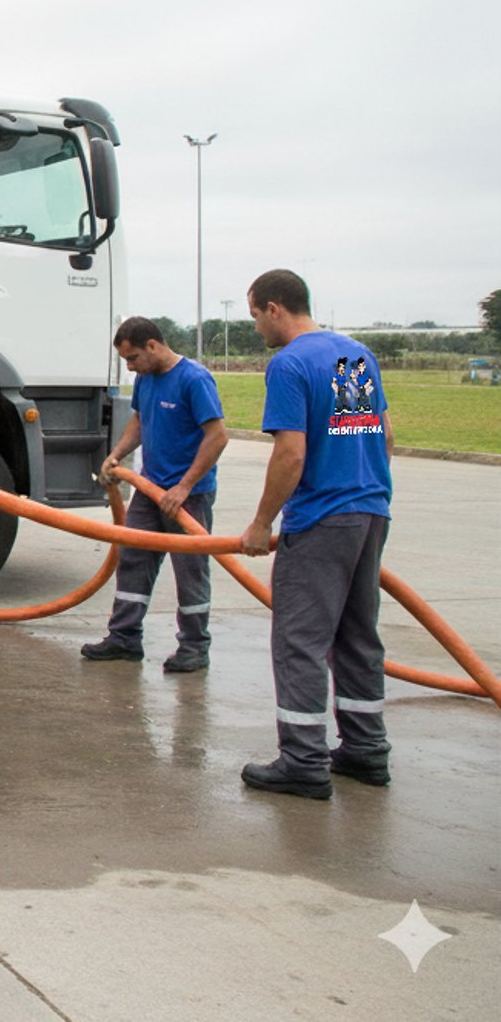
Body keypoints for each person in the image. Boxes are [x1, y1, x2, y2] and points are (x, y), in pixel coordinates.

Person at [237, 269, 394, 799]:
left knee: (299, 639)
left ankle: (303, 760)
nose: (257, 327)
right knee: (357, 634)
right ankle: (366, 750)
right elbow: (384, 434)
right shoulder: (355, 355)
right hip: (371, 511)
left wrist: (262, 522)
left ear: (274, 309)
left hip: (323, 518)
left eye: (256, 315)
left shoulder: (289, 364)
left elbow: (292, 452)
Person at [83, 316, 229, 672]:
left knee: (190, 569)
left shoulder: (194, 380)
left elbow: (217, 436)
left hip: (187, 497)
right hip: (149, 489)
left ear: (152, 345)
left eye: (133, 358)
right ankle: (124, 638)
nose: (130, 366)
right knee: (133, 559)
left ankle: (194, 647)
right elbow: (139, 421)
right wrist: (117, 455)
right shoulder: (145, 379)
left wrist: (184, 486)